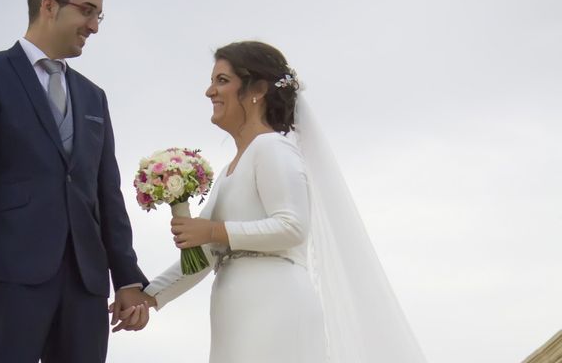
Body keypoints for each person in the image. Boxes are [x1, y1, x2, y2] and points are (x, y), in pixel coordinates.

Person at [120, 41, 427, 362]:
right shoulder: (229, 170)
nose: (209, 92)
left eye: (221, 81)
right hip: (237, 311)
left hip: (274, 302)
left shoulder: (272, 149)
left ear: (258, 90)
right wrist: (148, 298)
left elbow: (292, 227)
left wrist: (213, 231)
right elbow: (205, 256)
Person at [0, 0, 150, 363]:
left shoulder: (94, 97)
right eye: (87, 11)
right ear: (49, 5)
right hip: (9, 276)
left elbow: (106, 195)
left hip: (85, 283)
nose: (94, 26)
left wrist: (127, 278)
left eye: (99, 15)